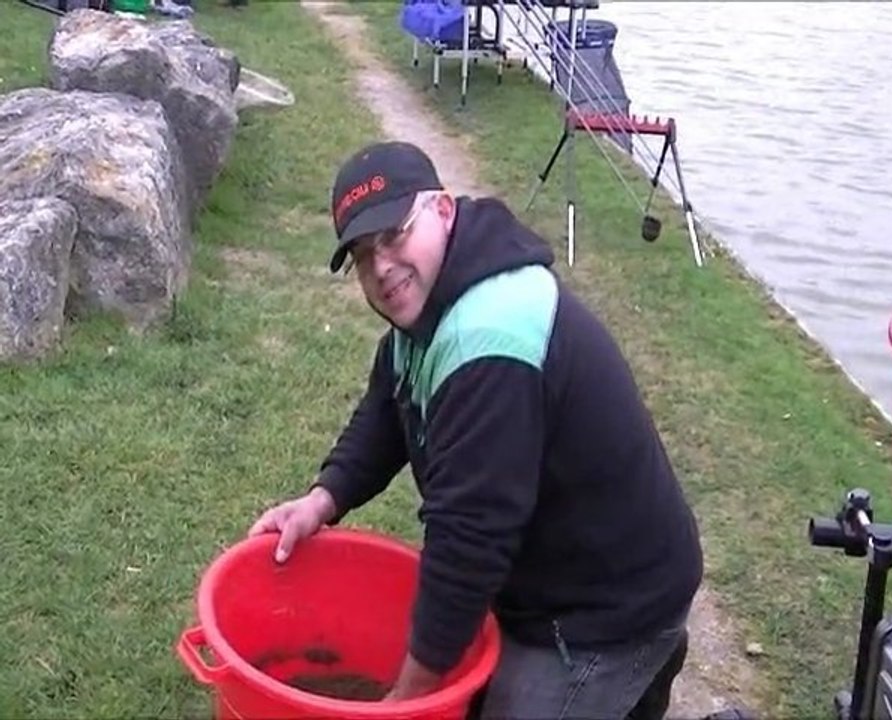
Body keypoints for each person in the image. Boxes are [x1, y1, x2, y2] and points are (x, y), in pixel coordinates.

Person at [248, 140, 704, 719]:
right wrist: (322, 499)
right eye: (363, 255)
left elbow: (468, 541)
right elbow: (389, 405)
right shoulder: (437, 294)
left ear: (441, 210)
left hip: (604, 612)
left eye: (394, 236)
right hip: (547, 580)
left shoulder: (488, 337)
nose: (381, 267)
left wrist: (407, 699)